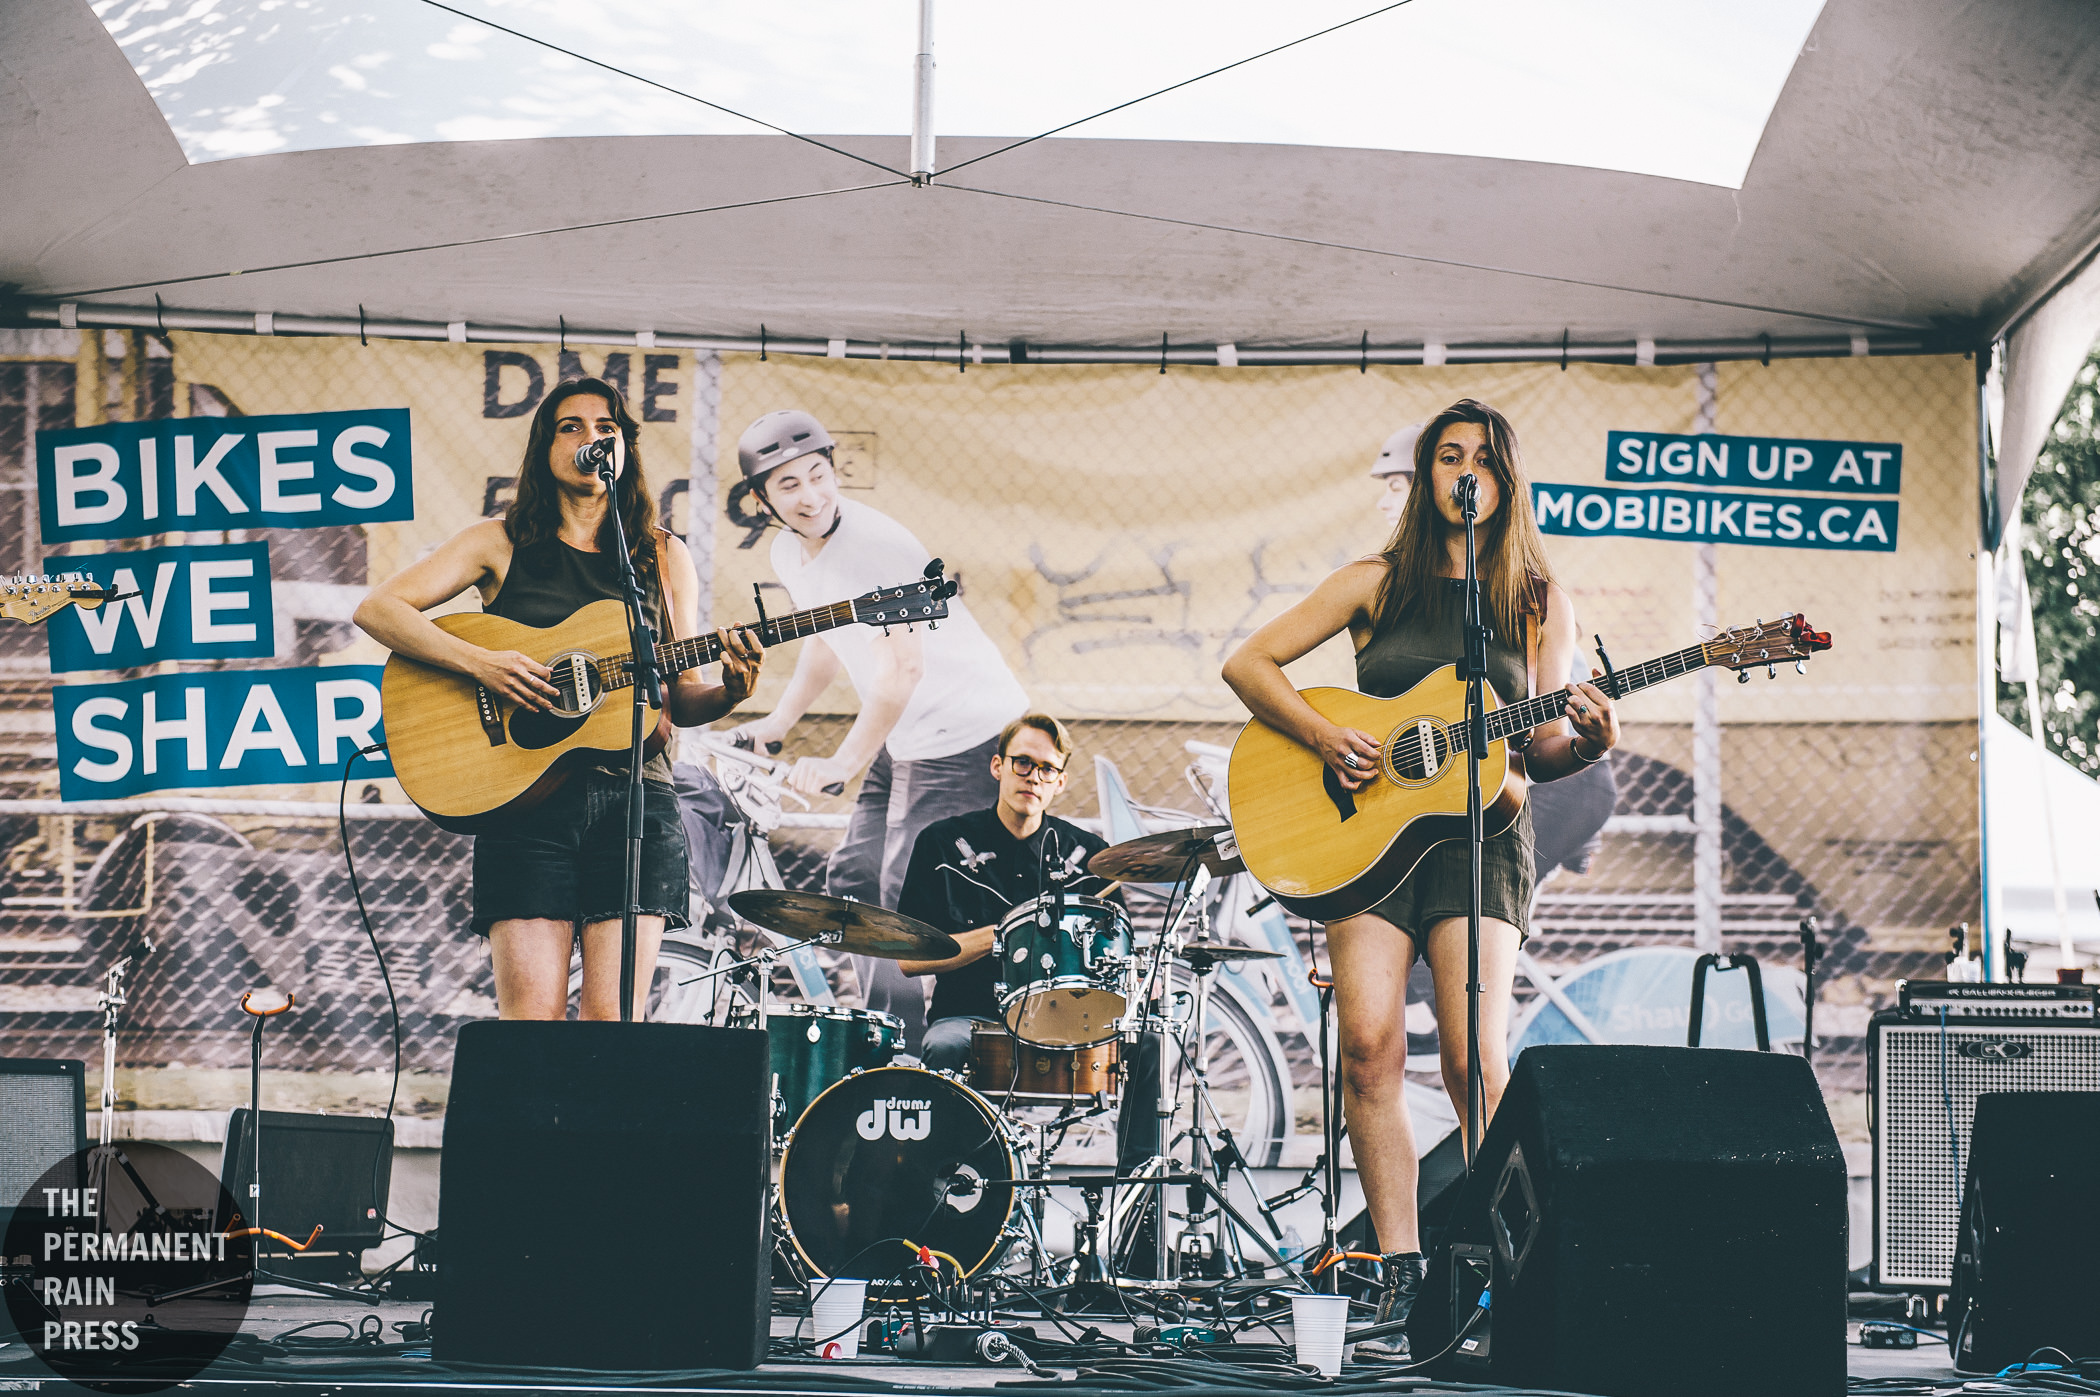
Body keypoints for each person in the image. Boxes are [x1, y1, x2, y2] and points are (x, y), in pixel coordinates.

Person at [1222, 398, 1620, 1356]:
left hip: (1481, 836)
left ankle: (1492, 1266)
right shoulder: (1375, 581)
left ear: (1507, 478)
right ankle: (1402, 1274)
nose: (1464, 472)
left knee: (1472, 1056)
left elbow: (1541, 749)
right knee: (1367, 1047)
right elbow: (1250, 662)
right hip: (1367, 835)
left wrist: (1589, 744)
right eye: (1449, 456)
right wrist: (1327, 734)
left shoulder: (1536, 600)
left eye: (1483, 458)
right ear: (1429, 474)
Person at [354, 377, 764, 1021]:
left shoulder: (659, 555)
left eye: (607, 429)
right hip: (523, 803)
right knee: (531, 1028)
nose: (591, 439)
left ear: (625, 447)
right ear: (543, 447)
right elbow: (378, 608)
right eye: (570, 427)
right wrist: (482, 663)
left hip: (636, 803)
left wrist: (732, 690)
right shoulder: (499, 540)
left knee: (613, 1027)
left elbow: (679, 701)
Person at [730, 410, 1029, 1049]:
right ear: (761, 501)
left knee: (905, 898)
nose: (810, 497)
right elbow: (825, 641)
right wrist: (779, 724)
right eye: (788, 487)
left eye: (819, 476)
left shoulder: (880, 548)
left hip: (967, 735)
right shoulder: (789, 550)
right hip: (908, 734)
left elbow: (903, 669)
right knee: (856, 881)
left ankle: (925, 1055)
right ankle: (888, 1038)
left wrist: (843, 761)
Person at [895, 712, 1159, 1172]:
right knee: (942, 1046)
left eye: (1047, 769)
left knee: (1149, 1041)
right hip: (972, 1019)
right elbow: (908, 961)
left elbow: (1119, 956)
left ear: (1060, 782)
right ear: (998, 766)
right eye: (1022, 763)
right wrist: (1003, 934)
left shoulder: (1090, 856)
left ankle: (1137, 1200)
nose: (1033, 777)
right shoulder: (941, 844)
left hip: (1072, 1024)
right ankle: (943, 1189)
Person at [1370, 425, 1617, 881]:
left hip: (1543, 776)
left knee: (1479, 911)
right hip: (1480, 767)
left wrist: (1591, 741)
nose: (1385, 503)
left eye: (1394, 487)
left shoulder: (1524, 597)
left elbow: (1546, 728)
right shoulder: (1402, 584)